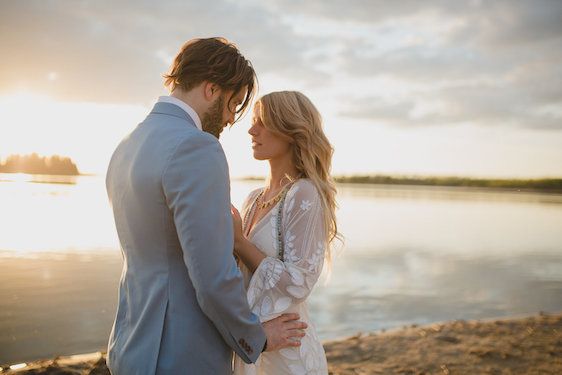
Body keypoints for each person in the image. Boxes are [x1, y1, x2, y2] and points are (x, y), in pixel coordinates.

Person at [105, 38, 306, 375]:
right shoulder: (197, 148)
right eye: (234, 103)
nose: (230, 119)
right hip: (181, 354)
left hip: (130, 346)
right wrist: (255, 336)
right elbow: (212, 277)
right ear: (212, 89)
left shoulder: (128, 144)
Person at [232, 91, 339, 374]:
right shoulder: (253, 198)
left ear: (291, 131)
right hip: (256, 340)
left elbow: (300, 281)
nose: (251, 130)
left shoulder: (304, 193)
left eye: (262, 122)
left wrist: (240, 243)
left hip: (287, 351)